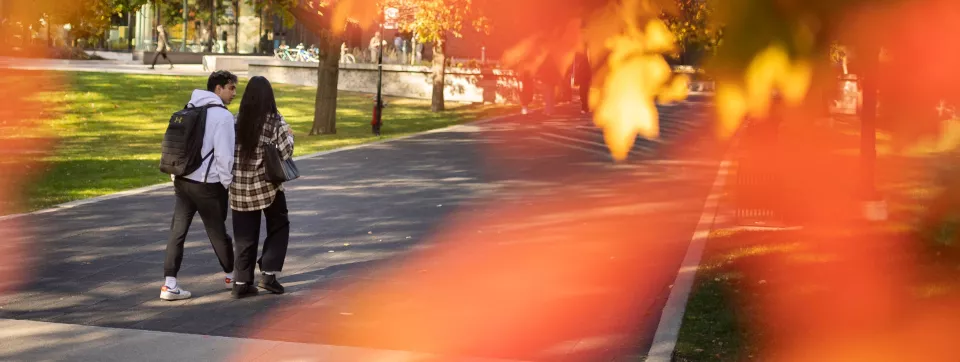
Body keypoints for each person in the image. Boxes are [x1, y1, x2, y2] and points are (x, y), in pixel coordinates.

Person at [160, 71, 239, 301]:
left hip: (183, 181)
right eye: (231, 88)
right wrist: (227, 184)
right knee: (217, 233)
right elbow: (225, 157)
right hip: (208, 185)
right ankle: (231, 276)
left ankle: (169, 285)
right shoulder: (222, 117)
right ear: (218, 89)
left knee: (177, 232)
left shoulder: (190, 107)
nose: (234, 93)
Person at [230, 76, 294, 299]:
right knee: (279, 225)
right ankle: (268, 275)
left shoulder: (236, 121)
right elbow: (286, 153)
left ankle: (241, 282)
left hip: (238, 187)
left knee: (244, 236)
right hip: (267, 187)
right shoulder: (275, 121)